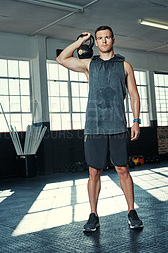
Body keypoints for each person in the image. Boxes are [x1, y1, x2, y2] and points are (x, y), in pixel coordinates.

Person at [56, 26, 143, 232]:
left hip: (118, 125)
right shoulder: (89, 64)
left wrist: (136, 120)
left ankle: (131, 211)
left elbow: (133, 94)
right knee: (94, 171)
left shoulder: (125, 66)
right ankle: (93, 215)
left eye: (107, 37)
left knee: (123, 169)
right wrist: (80, 41)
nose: (103, 41)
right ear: (95, 42)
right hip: (94, 127)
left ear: (114, 39)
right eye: (99, 38)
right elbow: (61, 59)